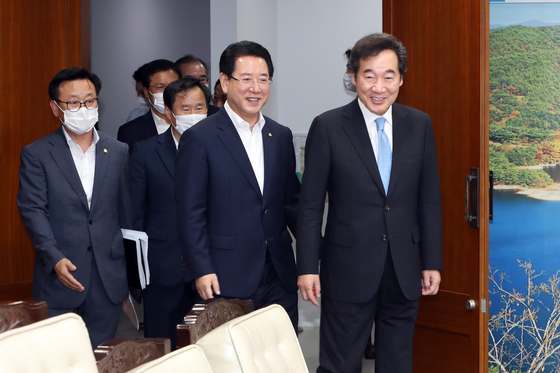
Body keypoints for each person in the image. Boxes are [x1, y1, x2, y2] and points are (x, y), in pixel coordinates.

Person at [297, 33, 443, 373]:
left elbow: (429, 200)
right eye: (369, 75)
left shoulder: (419, 124)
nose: (379, 87)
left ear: (401, 79)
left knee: (396, 364)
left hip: (404, 268)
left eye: (388, 76)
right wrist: (306, 267)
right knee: (339, 366)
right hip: (348, 268)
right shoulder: (329, 126)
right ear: (353, 76)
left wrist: (431, 261)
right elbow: (310, 206)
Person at [175, 41, 300, 330]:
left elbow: (291, 203)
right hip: (225, 275)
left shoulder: (280, 136)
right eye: (246, 79)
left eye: (263, 79)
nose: (255, 88)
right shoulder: (200, 138)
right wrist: (201, 268)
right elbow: (190, 211)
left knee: (280, 354)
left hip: (278, 272)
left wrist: (312, 256)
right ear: (224, 82)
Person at [17, 67, 130, 349]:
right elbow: (32, 209)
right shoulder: (37, 153)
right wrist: (53, 257)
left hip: (108, 277)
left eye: (90, 101)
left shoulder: (118, 151)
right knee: (60, 358)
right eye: (74, 102)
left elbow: (126, 212)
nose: (83, 108)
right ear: (55, 108)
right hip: (60, 275)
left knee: (102, 358)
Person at [129, 77, 211, 349]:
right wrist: (136, 276)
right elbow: (135, 215)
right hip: (163, 269)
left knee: (207, 344)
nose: (194, 115)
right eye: (186, 109)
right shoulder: (145, 152)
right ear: (169, 113)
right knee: (162, 346)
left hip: (211, 268)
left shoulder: (221, 149)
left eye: (200, 108)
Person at [117, 59, 181, 153]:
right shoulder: (130, 132)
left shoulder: (196, 121)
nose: (168, 91)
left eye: (173, 85)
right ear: (146, 92)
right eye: (160, 87)